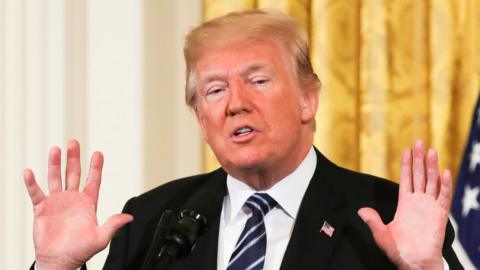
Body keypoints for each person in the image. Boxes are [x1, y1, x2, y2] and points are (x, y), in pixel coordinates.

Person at [25, 10, 462, 270]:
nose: (236, 104)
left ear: (308, 99)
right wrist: (55, 267)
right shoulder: (151, 222)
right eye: (215, 90)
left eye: (258, 80)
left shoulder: (384, 217)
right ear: (201, 118)